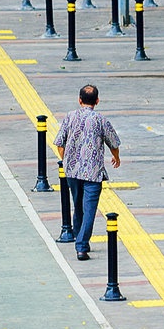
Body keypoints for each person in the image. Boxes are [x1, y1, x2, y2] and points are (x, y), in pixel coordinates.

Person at [54, 85, 122, 261]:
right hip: (93, 172)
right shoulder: (101, 120)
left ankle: (81, 239)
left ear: (79, 100)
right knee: (89, 209)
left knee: (78, 206)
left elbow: (59, 142)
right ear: (97, 101)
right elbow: (114, 143)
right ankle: (82, 246)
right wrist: (116, 157)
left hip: (72, 172)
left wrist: (66, 160)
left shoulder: (70, 116)